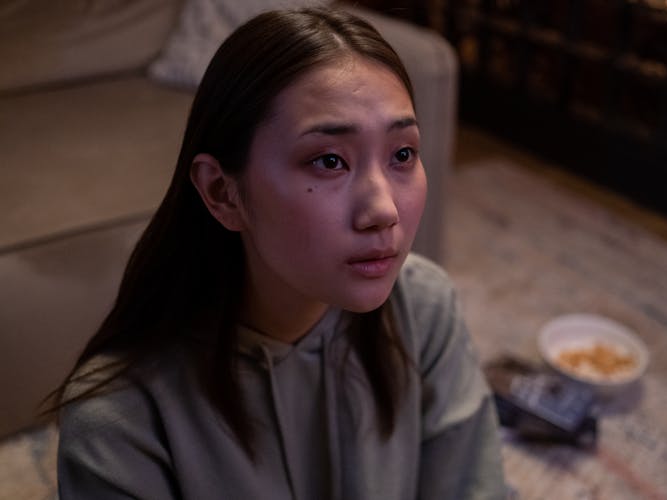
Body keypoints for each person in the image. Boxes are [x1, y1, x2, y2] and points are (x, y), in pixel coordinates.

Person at [53, 7, 508, 499]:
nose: (383, 209)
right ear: (223, 193)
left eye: (402, 154)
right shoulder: (122, 421)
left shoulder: (423, 309)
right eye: (329, 161)